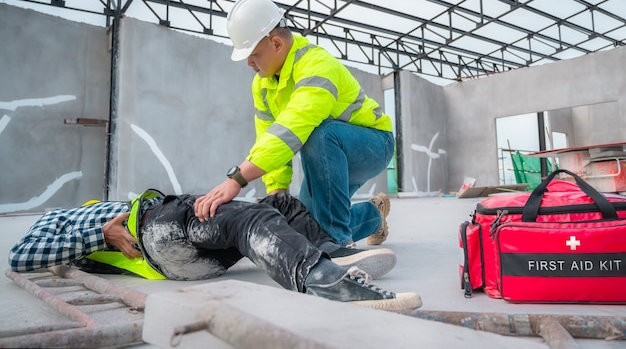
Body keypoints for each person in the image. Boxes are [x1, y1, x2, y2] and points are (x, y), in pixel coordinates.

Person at [195, 0, 395, 248]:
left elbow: (292, 128)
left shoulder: (317, 65)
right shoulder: (263, 84)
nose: (249, 63)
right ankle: (374, 216)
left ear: (276, 43)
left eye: (254, 54)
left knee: (320, 133)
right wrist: (277, 191)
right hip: (330, 154)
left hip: (372, 146)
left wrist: (237, 179)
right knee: (307, 226)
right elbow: (268, 134)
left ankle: (338, 247)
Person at [8, 190, 421, 311]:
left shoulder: (99, 210)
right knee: (250, 222)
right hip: (159, 231)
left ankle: (331, 253)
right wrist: (102, 235)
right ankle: (325, 282)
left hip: (182, 255)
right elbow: (20, 257)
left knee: (277, 203)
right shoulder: (60, 216)